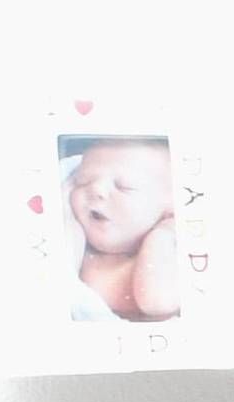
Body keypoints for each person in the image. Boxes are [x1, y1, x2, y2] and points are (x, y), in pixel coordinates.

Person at [61, 135, 186, 322]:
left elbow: (156, 303)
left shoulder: (164, 257)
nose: (97, 189)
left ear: (169, 211)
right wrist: (65, 210)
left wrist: (162, 236)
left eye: (124, 187)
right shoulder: (79, 247)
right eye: (82, 181)